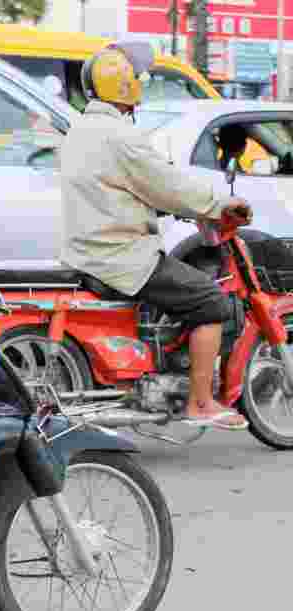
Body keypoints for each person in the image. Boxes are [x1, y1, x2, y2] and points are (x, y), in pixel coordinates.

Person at [59, 41, 252, 429]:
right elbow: (165, 182)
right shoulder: (118, 135)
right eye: (136, 78)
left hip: (90, 251)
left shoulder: (82, 129)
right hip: (121, 256)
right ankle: (201, 403)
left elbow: (119, 187)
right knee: (210, 301)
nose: (139, 84)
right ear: (124, 84)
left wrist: (163, 206)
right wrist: (219, 205)